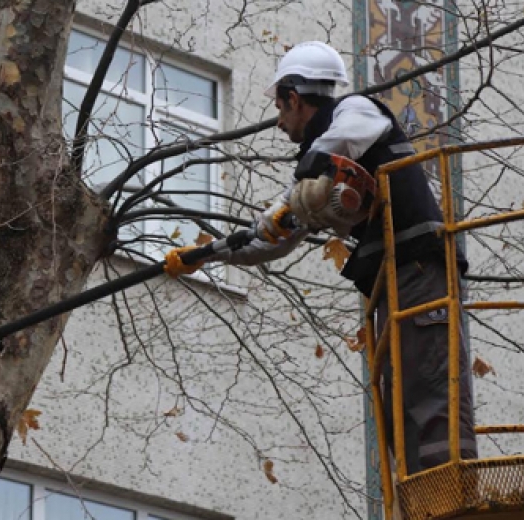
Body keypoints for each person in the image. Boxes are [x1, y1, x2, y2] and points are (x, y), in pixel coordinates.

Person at [168, 41, 476, 475]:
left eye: (280, 108)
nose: (279, 123)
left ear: (295, 97)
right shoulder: (322, 170)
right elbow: (269, 240)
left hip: (422, 271)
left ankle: (450, 495)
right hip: (394, 283)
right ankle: (419, 499)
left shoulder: (357, 112)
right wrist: (204, 254)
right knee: (402, 409)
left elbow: (340, 146)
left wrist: (298, 191)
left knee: (430, 395)